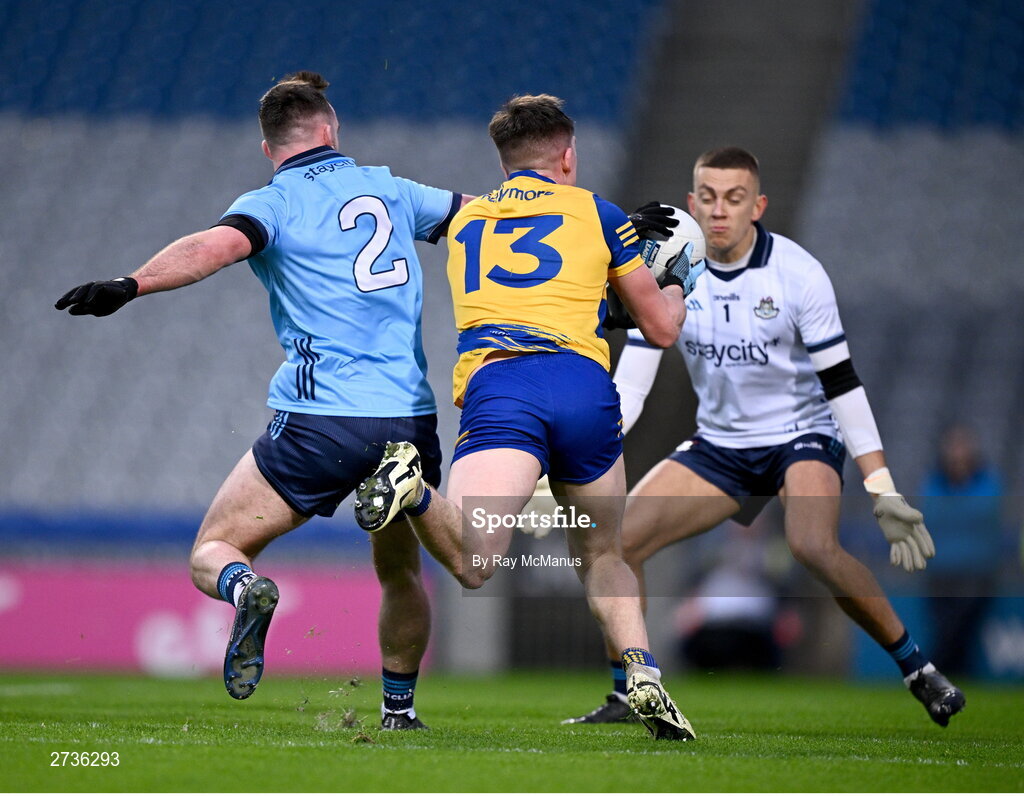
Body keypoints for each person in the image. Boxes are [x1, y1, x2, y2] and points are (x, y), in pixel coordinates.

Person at [54, 71, 469, 730]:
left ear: (267, 146)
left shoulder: (271, 202)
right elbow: (492, 219)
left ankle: (247, 589)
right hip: (407, 418)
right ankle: (399, 711)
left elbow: (212, 249)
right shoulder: (393, 188)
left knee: (212, 551)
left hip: (322, 421)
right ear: (331, 129)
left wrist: (132, 283)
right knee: (399, 570)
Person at [565, 146, 966, 728]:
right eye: (708, 197)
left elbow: (843, 384)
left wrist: (881, 486)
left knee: (810, 544)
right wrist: (586, 453)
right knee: (619, 542)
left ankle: (918, 671)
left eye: (733, 198)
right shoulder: (670, 275)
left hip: (801, 434)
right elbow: (631, 389)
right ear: (691, 203)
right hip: (722, 446)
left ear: (759, 205)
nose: (719, 211)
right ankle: (630, 694)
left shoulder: (798, 274)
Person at [354, 94, 698, 740]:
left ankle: (411, 488)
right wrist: (679, 281)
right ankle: (643, 672)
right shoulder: (597, 211)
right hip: (583, 386)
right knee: (603, 554)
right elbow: (657, 326)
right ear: (567, 156)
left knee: (476, 562)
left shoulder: (468, 217)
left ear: (506, 159)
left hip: (503, 383)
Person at [919, 424, 1005, 675]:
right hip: (940, 574)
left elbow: (984, 512)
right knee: (946, 629)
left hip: (976, 575)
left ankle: (934, 674)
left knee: (958, 631)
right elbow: (932, 514)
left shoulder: (987, 481)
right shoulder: (935, 481)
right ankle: (945, 677)